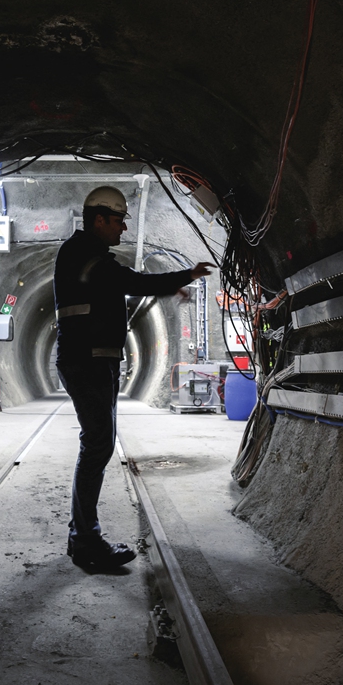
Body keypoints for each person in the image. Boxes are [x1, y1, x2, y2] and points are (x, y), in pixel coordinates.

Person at [54, 185, 216, 569]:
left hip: (97, 362)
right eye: (119, 220)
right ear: (99, 219)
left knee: (97, 445)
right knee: (97, 446)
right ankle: (86, 542)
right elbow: (130, 281)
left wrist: (168, 284)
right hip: (87, 362)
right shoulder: (83, 255)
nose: (123, 229)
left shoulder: (88, 258)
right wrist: (186, 274)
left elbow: (124, 284)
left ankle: (82, 534)